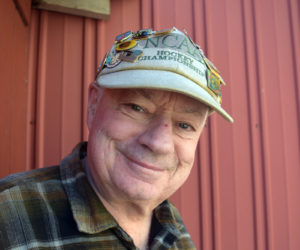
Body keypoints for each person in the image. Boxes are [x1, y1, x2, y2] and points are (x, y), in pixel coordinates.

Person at [0, 27, 233, 249]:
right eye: (136, 108)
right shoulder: (8, 215)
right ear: (93, 105)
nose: (159, 143)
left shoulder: (172, 229)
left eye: (184, 125)